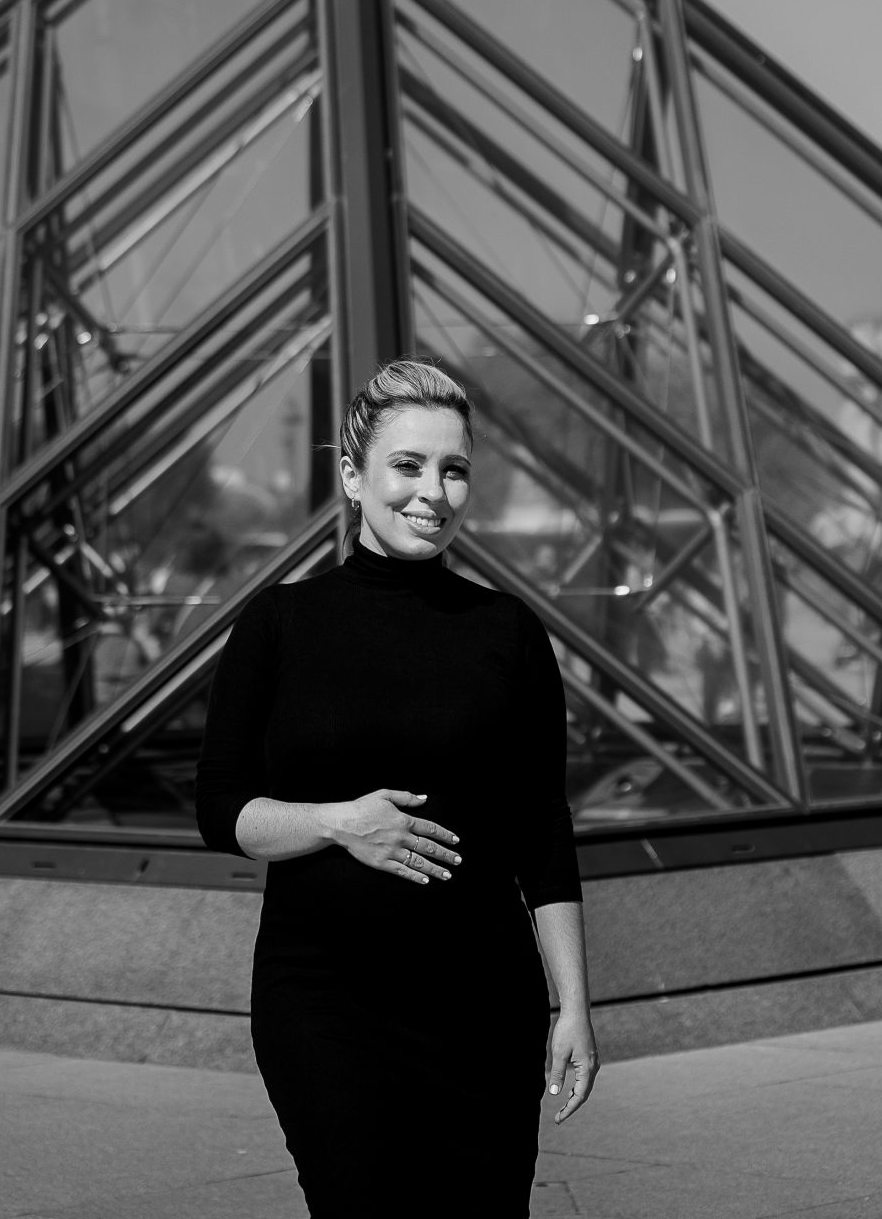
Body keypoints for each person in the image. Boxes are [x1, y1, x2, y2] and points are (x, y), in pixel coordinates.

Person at [196, 357, 599, 1217]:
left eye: (454, 469)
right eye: (408, 465)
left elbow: (542, 831)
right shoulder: (279, 624)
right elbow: (221, 811)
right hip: (327, 1001)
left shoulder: (509, 632)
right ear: (353, 477)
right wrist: (340, 823)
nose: (433, 493)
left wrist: (573, 1005)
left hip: (484, 1002)